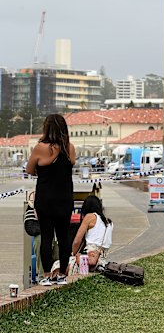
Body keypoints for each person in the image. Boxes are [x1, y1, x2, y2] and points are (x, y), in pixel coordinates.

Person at [26, 114, 76, 286]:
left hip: (45, 199)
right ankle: (62, 274)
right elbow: (71, 164)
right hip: (64, 198)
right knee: (63, 238)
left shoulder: (40, 147)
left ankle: (46, 275)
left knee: (46, 237)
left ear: (46, 128)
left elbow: (30, 169)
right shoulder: (69, 147)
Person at [71, 195, 114, 271]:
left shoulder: (89, 217)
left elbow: (77, 241)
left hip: (87, 259)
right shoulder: (109, 222)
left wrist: (73, 254)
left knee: (58, 265)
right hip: (101, 261)